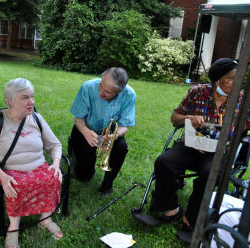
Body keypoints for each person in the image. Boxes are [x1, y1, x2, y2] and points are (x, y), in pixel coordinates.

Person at [150, 58, 250, 232]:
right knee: (164, 162)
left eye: (239, 79)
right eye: (231, 79)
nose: (236, 84)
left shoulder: (242, 100)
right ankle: (171, 208)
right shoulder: (197, 92)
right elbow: (175, 117)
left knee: (209, 174)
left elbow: (246, 125)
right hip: (192, 144)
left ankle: (192, 216)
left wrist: (238, 127)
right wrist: (188, 118)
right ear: (217, 79)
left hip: (218, 151)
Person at [0, 78, 63, 248]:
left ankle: (45, 219)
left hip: (37, 165)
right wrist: (1, 175)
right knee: (16, 184)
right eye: (25, 98)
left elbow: (55, 145)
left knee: (54, 176)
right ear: (10, 100)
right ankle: (13, 227)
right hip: (9, 168)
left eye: (32, 97)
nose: (31, 102)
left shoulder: (37, 119)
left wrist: (55, 163)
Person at [69, 67, 136, 195]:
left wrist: (114, 136)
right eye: (100, 86)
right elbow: (78, 119)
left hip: (109, 132)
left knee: (121, 147)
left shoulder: (129, 95)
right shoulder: (87, 87)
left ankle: (107, 184)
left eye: (107, 92)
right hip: (85, 129)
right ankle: (73, 148)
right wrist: (85, 131)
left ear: (119, 91)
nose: (101, 93)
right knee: (84, 177)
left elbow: (124, 126)